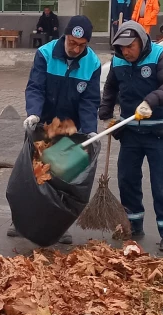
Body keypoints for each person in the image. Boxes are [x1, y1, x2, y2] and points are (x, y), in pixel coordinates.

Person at [10, 15, 102, 245]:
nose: (75, 48)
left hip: (69, 129)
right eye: (72, 42)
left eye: (81, 46)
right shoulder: (45, 53)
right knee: (32, 176)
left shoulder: (93, 63)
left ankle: (58, 225)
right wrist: (33, 113)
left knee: (62, 177)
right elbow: (36, 87)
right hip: (41, 123)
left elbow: (89, 101)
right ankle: (21, 221)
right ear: (66, 37)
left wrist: (89, 130)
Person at [99, 21, 163, 252]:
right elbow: (111, 88)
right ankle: (133, 225)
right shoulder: (118, 60)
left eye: (130, 46)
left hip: (158, 132)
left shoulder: (161, 56)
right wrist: (106, 114)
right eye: (122, 47)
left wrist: (151, 101)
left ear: (142, 41)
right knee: (127, 179)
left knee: (161, 182)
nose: (126, 51)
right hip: (131, 132)